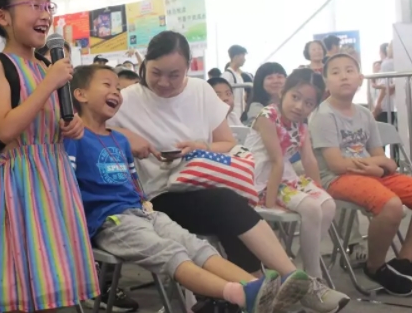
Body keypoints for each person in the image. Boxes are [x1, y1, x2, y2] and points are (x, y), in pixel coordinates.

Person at [66, 65, 312, 313]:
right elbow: (68, 187)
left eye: (118, 88)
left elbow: (132, 180)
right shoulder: (73, 138)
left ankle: (258, 288)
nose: (116, 92)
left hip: (143, 213)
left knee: (195, 246)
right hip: (110, 221)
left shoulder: (119, 139)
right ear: (80, 94)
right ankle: (238, 294)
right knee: (170, 253)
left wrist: (144, 205)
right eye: (107, 85)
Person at [107, 31, 310, 281]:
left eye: (174, 75)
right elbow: (86, 127)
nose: (164, 82)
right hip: (158, 196)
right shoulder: (126, 100)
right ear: (145, 63)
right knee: (227, 204)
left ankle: (261, 286)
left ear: (187, 68)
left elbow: (227, 143)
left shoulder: (200, 90)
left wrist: (201, 146)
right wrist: (125, 135)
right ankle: (282, 280)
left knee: (229, 208)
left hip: (205, 184)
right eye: (156, 72)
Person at [0, 0, 99, 313]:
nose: (44, 15)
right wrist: (48, 83)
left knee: (56, 275)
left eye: (47, 6)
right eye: (34, 5)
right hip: (20, 183)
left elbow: (53, 120)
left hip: (55, 177)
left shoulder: (46, 65)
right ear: (2, 16)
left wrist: (72, 125)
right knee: (25, 276)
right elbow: (6, 128)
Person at [245, 68, 349, 312]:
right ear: (283, 92)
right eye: (295, 97)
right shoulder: (267, 116)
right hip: (261, 179)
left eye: (309, 103)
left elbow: (309, 159)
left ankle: (301, 271)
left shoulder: (301, 125)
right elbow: (276, 161)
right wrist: (268, 202)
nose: (300, 106)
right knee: (311, 208)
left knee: (327, 204)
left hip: (285, 177)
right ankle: (312, 278)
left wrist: (319, 190)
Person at [310, 53, 412, 296]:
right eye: (335, 72)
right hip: (336, 179)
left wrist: (379, 166)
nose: (344, 76)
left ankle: (404, 261)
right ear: (326, 82)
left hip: (370, 174)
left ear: (360, 78)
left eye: (349, 70)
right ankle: (375, 266)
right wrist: (379, 165)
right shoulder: (323, 115)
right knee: (390, 205)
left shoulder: (364, 114)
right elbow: (337, 164)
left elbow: (384, 159)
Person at [223, 45, 250, 120]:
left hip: (239, 116)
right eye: (243, 56)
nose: (244, 59)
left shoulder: (238, 76)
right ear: (236, 57)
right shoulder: (227, 75)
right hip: (231, 117)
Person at [373, 41, 395, 124]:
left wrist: (378, 102)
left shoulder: (387, 63)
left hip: (386, 105)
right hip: (393, 104)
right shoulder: (394, 62)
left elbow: (385, 84)